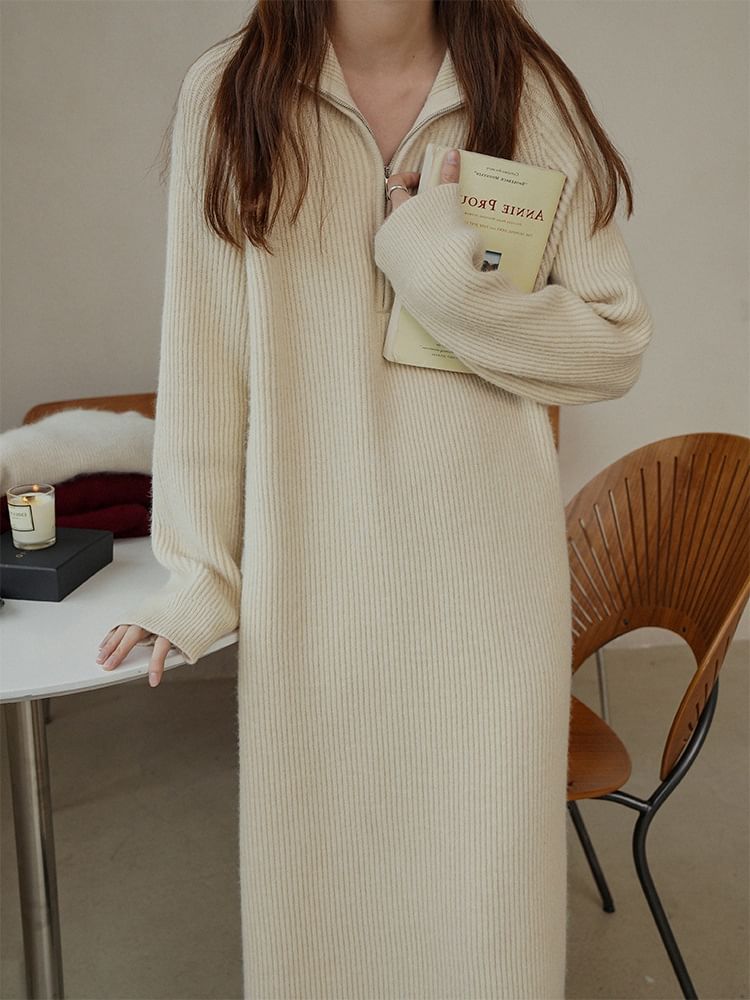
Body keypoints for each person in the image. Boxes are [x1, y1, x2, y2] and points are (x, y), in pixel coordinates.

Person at [96, 0, 654, 996]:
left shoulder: (524, 92)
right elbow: (205, 361)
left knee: (487, 916)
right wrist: (199, 573)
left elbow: (609, 349)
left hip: (489, 590)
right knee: (323, 911)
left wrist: (438, 267)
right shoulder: (231, 96)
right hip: (317, 577)